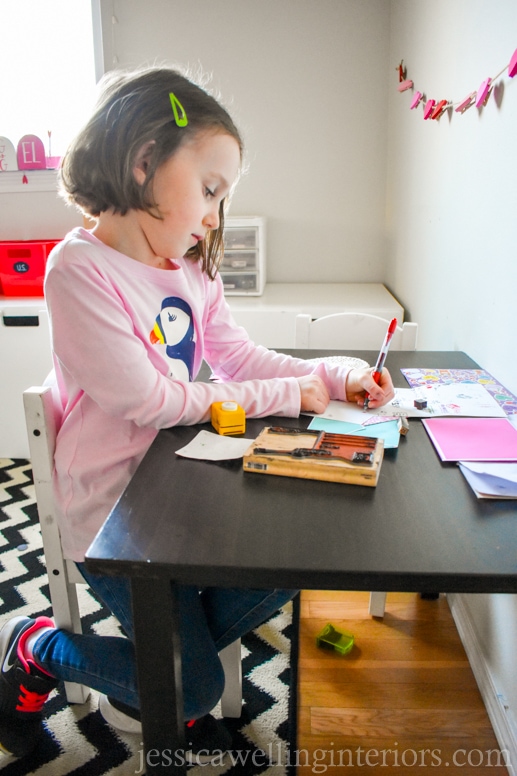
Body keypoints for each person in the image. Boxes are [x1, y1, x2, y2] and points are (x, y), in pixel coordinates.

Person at [0, 66, 395, 761]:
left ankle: (162, 659)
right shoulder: (80, 270)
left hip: (181, 486)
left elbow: (237, 357)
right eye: (209, 190)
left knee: (303, 555)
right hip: (112, 515)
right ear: (143, 161)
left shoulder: (190, 267)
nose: (215, 215)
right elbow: (145, 400)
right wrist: (282, 397)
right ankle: (41, 647)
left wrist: (333, 375)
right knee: (190, 692)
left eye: (223, 197)